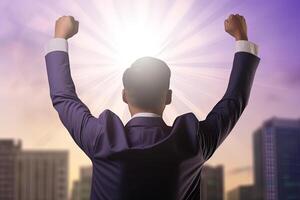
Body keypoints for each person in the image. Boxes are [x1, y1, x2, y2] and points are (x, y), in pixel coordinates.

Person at [45, 14, 260, 200]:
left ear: (124, 96)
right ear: (168, 97)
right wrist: (241, 38)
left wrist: (60, 37)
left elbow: (64, 98)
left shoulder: (102, 139)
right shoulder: (192, 141)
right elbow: (233, 102)